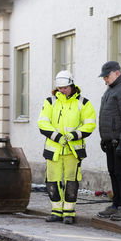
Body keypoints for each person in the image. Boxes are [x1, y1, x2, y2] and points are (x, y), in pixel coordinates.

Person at [38, 70, 96, 224]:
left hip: (73, 151)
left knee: (72, 181)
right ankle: (56, 211)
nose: (62, 90)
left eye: (65, 87)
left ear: (71, 85)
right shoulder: (50, 102)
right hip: (54, 150)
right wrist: (57, 137)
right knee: (52, 181)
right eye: (59, 88)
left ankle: (69, 213)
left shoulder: (83, 103)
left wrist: (74, 135)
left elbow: (90, 125)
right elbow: (42, 123)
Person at [97, 61, 121, 221]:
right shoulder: (111, 89)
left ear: (117, 73)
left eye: (107, 76)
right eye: (104, 77)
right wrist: (105, 138)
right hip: (111, 140)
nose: (105, 80)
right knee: (113, 172)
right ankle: (115, 205)